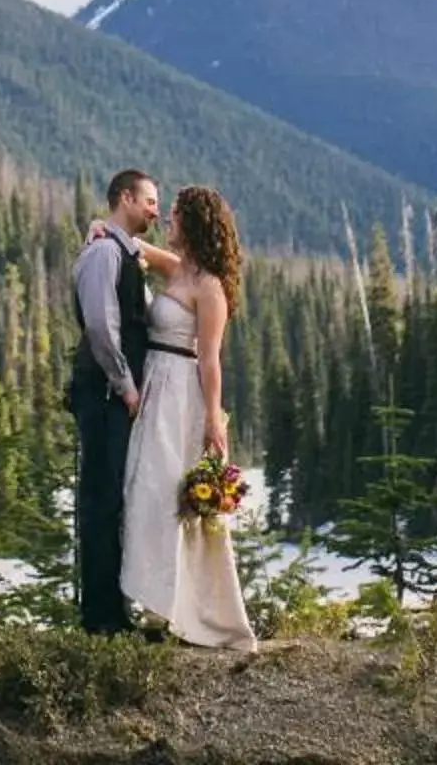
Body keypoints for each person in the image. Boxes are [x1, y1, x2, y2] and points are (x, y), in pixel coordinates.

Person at [112, 184, 258, 652]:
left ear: (193, 224)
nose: (167, 221)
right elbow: (136, 247)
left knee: (170, 497)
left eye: (174, 215)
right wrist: (106, 230)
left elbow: (211, 360)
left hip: (180, 397)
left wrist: (214, 422)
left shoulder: (209, 285)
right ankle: (154, 604)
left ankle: (181, 612)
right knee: (144, 491)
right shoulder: (179, 269)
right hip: (154, 385)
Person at [68, 169, 159, 635]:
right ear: (124, 198)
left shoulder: (122, 251)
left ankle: (110, 613)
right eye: (148, 200)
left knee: (110, 501)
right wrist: (125, 385)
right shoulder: (104, 252)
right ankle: (100, 619)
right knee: (100, 501)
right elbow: (102, 328)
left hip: (113, 396)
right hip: (104, 395)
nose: (155, 210)